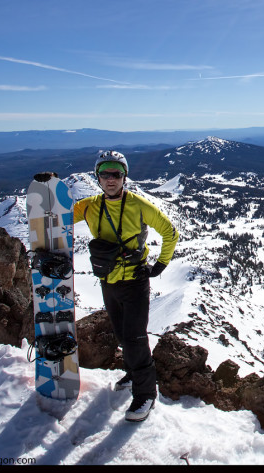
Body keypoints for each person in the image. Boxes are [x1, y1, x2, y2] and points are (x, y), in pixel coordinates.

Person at [74, 150, 179, 422]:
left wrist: (160, 265)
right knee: (122, 334)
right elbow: (58, 218)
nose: (111, 179)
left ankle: (146, 394)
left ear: (125, 176)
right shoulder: (89, 206)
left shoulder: (139, 205)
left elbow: (170, 231)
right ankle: (133, 374)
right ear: (97, 177)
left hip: (134, 281)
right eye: (105, 174)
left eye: (116, 173)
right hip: (107, 281)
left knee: (134, 337)